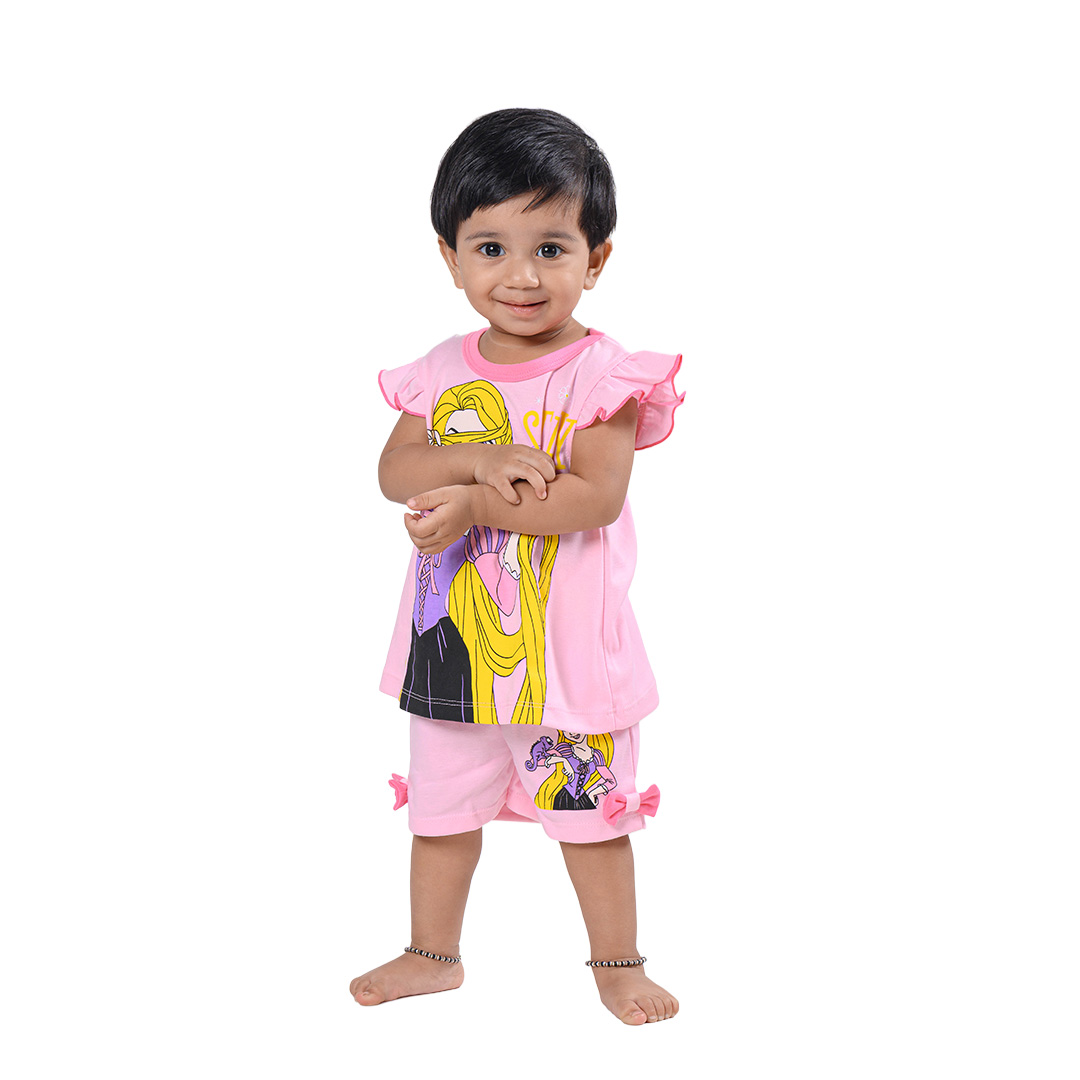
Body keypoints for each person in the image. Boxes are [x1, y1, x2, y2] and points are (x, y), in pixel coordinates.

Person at [349, 108, 684, 1025]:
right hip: (454, 655)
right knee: (440, 815)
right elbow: (394, 472)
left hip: (566, 665)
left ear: (596, 258)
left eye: (551, 248)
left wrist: (477, 506)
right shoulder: (440, 370)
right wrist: (477, 460)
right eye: (490, 248)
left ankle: (617, 964)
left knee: (589, 819)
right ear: (451, 258)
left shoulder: (605, 375)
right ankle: (432, 953)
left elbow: (594, 497)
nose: (522, 276)